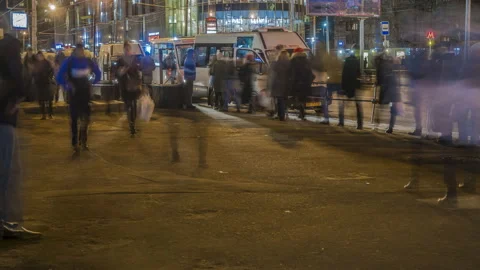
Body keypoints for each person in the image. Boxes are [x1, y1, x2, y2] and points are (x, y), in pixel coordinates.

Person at [0, 33, 42, 239]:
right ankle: (9, 223)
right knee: (9, 173)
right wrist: (17, 98)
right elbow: (17, 78)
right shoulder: (8, 43)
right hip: (3, 118)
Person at [57, 44, 101, 151]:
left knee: (85, 118)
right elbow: (59, 76)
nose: (81, 52)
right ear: (75, 51)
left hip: (85, 94)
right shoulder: (69, 62)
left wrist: (93, 82)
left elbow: (98, 73)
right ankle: (74, 141)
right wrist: (67, 85)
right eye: (79, 51)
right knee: (74, 119)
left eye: (82, 51)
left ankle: (83, 141)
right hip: (74, 94)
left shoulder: (88, 61)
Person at [117, 42, 142, 136]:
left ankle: (133, 123)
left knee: (134, 105)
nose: (127, 51)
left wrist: (139, 83)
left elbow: (138, 72)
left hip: (133, 87)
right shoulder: (121, 60)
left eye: (128, 49)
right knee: (129, 106)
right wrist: (122, 71)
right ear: (124, 49)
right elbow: (117, 73)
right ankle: (131, 124)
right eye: (126, 49)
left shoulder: (134, 59)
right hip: (125, 87)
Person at [376, 55, 401, 134]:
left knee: (381, 106)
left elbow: (379, 80)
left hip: (386, 90)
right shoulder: (393, 66)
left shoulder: (381, 66)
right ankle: (390, 127)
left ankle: (377, 122)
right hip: (393, 90)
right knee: (392, 109)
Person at [289, 47, 314, 120]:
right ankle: (302, 112)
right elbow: (311, 74)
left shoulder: (293, 61)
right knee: (303, 98)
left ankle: (301, 111)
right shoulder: (307, 61)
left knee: (297, 98)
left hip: (296, 83)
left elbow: (291, 73)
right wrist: (309, 82)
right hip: (306, 84)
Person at [340, 53, 363, 129]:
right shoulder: (357, 62)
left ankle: (341, 122)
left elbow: (344, 75)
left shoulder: (346, 62)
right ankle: (359, 124)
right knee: (358, 105)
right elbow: (359, 74)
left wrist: (343, 87)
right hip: (355, 85)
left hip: (347, 85)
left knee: (342, 103)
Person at [33, 52, 55, 120]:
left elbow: (51, 71)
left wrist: (49, 77)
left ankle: (50, 114)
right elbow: (34, 73)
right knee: (41, 100)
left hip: (46, 83)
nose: (39, 57)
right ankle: (43, 115)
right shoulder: (36, 63)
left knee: (49, 100)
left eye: (40, 56)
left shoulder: (47, 63)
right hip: (39, 84)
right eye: (38, 56)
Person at [270, 50, 291, 121]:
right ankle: (282, 114)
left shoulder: (277, 63)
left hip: (278, 83)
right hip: (287, 83)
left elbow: (273, 71)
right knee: (284, 100)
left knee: (279, 100)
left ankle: (281, 115)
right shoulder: (289, 63)